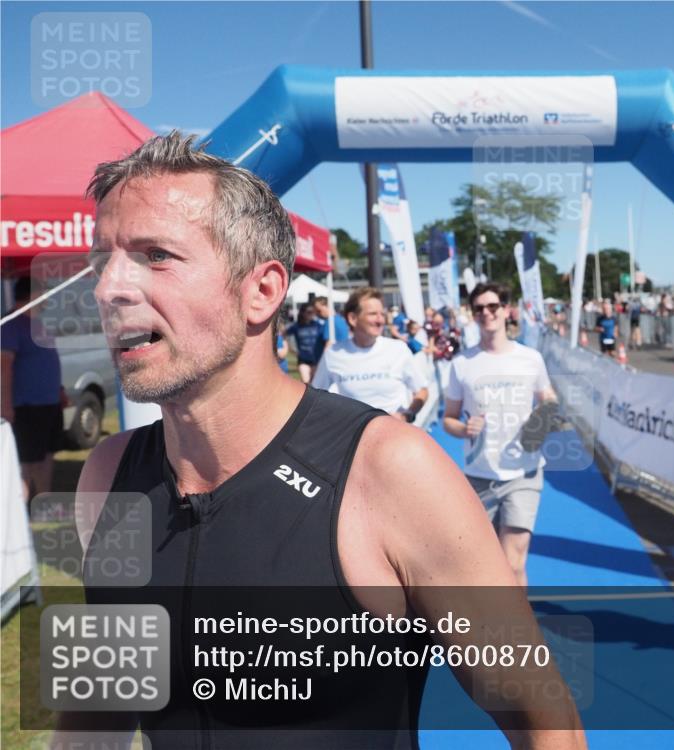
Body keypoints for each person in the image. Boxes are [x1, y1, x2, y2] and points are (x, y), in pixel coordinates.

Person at [56, 132, 583, 749]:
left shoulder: (389, 473)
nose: (108, 288)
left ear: (262, 291)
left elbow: (548, 726)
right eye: (101, 262)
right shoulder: (107, 474)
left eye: (156, 255)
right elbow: (97, 712)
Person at [443, 283, 558, 588]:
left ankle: (519, 633)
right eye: (479, 308)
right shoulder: (462, 364)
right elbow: (448, 420)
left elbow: (549, 399)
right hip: (479, 476)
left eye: (493, 306)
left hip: (524, 473)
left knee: (513, 561)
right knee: (485, 565)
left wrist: (540, 421)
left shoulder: (530, 358)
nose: (486, 313)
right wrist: (464, 429)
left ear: (506, 310)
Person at [312, 287, 428, 422]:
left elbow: (422, 391)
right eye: (373, 314)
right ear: (353, 318)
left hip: (393, 436)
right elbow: (315, 398)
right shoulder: (334, 353)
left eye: (382, 314)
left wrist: (407, 415)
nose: (380, 320)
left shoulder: (398, 349)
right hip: (352, 437)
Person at [1, 276, 66, 502]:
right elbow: (4, 368)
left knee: (47, 455)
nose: (46, 298)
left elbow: (46, 361)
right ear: (31, 295)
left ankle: (45, 502)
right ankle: (22, 512)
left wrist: (59, 390)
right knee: (28, 461)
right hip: (27, 406)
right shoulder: (10, 325)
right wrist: (6, 406)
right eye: (42, 292)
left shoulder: (37, 323)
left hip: (49, 403)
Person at [284, 301, 327, 383]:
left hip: (316, 359)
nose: (311, 314)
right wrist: (289, 348)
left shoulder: (318, 325)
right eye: (309, 312)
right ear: (303, 313)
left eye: (313, 312)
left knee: (315, 383)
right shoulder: (296, 326)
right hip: (303, 359)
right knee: (306, 381)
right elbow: (283, 334)